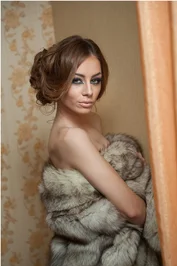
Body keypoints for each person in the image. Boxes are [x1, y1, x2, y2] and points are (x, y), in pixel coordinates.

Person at [30, 35, 146, 225]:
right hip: (101, 249)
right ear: (58, 82)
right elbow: (134, 211)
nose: (89, 91)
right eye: (77, 81)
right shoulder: (70, 138)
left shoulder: (93, 120)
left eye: (95, 80)